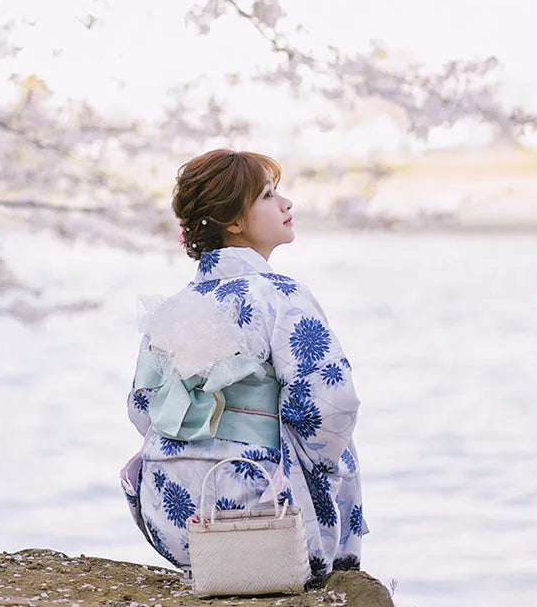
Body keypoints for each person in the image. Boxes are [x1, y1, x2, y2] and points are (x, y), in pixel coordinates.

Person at [121, 149, 367, 585]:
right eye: (270, 195)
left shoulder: (173, 307)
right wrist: (316, 463)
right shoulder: (278, 295)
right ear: (234, 222)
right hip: (262, 512)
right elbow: (330, 403)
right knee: (327, 445)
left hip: (177, 516)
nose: (286, 204)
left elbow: (143, 409)